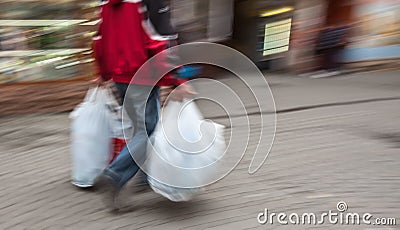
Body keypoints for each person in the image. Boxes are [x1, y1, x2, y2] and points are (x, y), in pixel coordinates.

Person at [93, 0, 194, 210]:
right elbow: (161, 41)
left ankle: (144, 178)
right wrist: (177, 79)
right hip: (143, 74)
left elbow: (99, 39)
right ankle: (115, 174)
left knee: (139, 129)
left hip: (119, 76)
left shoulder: (107, 3)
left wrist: (103, 73)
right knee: (147, 130)